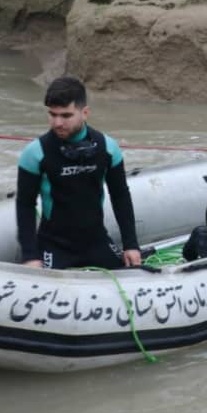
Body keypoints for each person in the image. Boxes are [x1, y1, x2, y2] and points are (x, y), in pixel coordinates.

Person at [16, 76, 141, 271]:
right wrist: (30, 255)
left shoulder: (108, 148)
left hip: (96, 241)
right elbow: (25, 204)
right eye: (52, 114)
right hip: (54, 245)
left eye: (66, 116)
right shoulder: (34, 153)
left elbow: (120, 196)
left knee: (131, 277)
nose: (57, 122)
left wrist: (131, 245)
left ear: (85, 113)